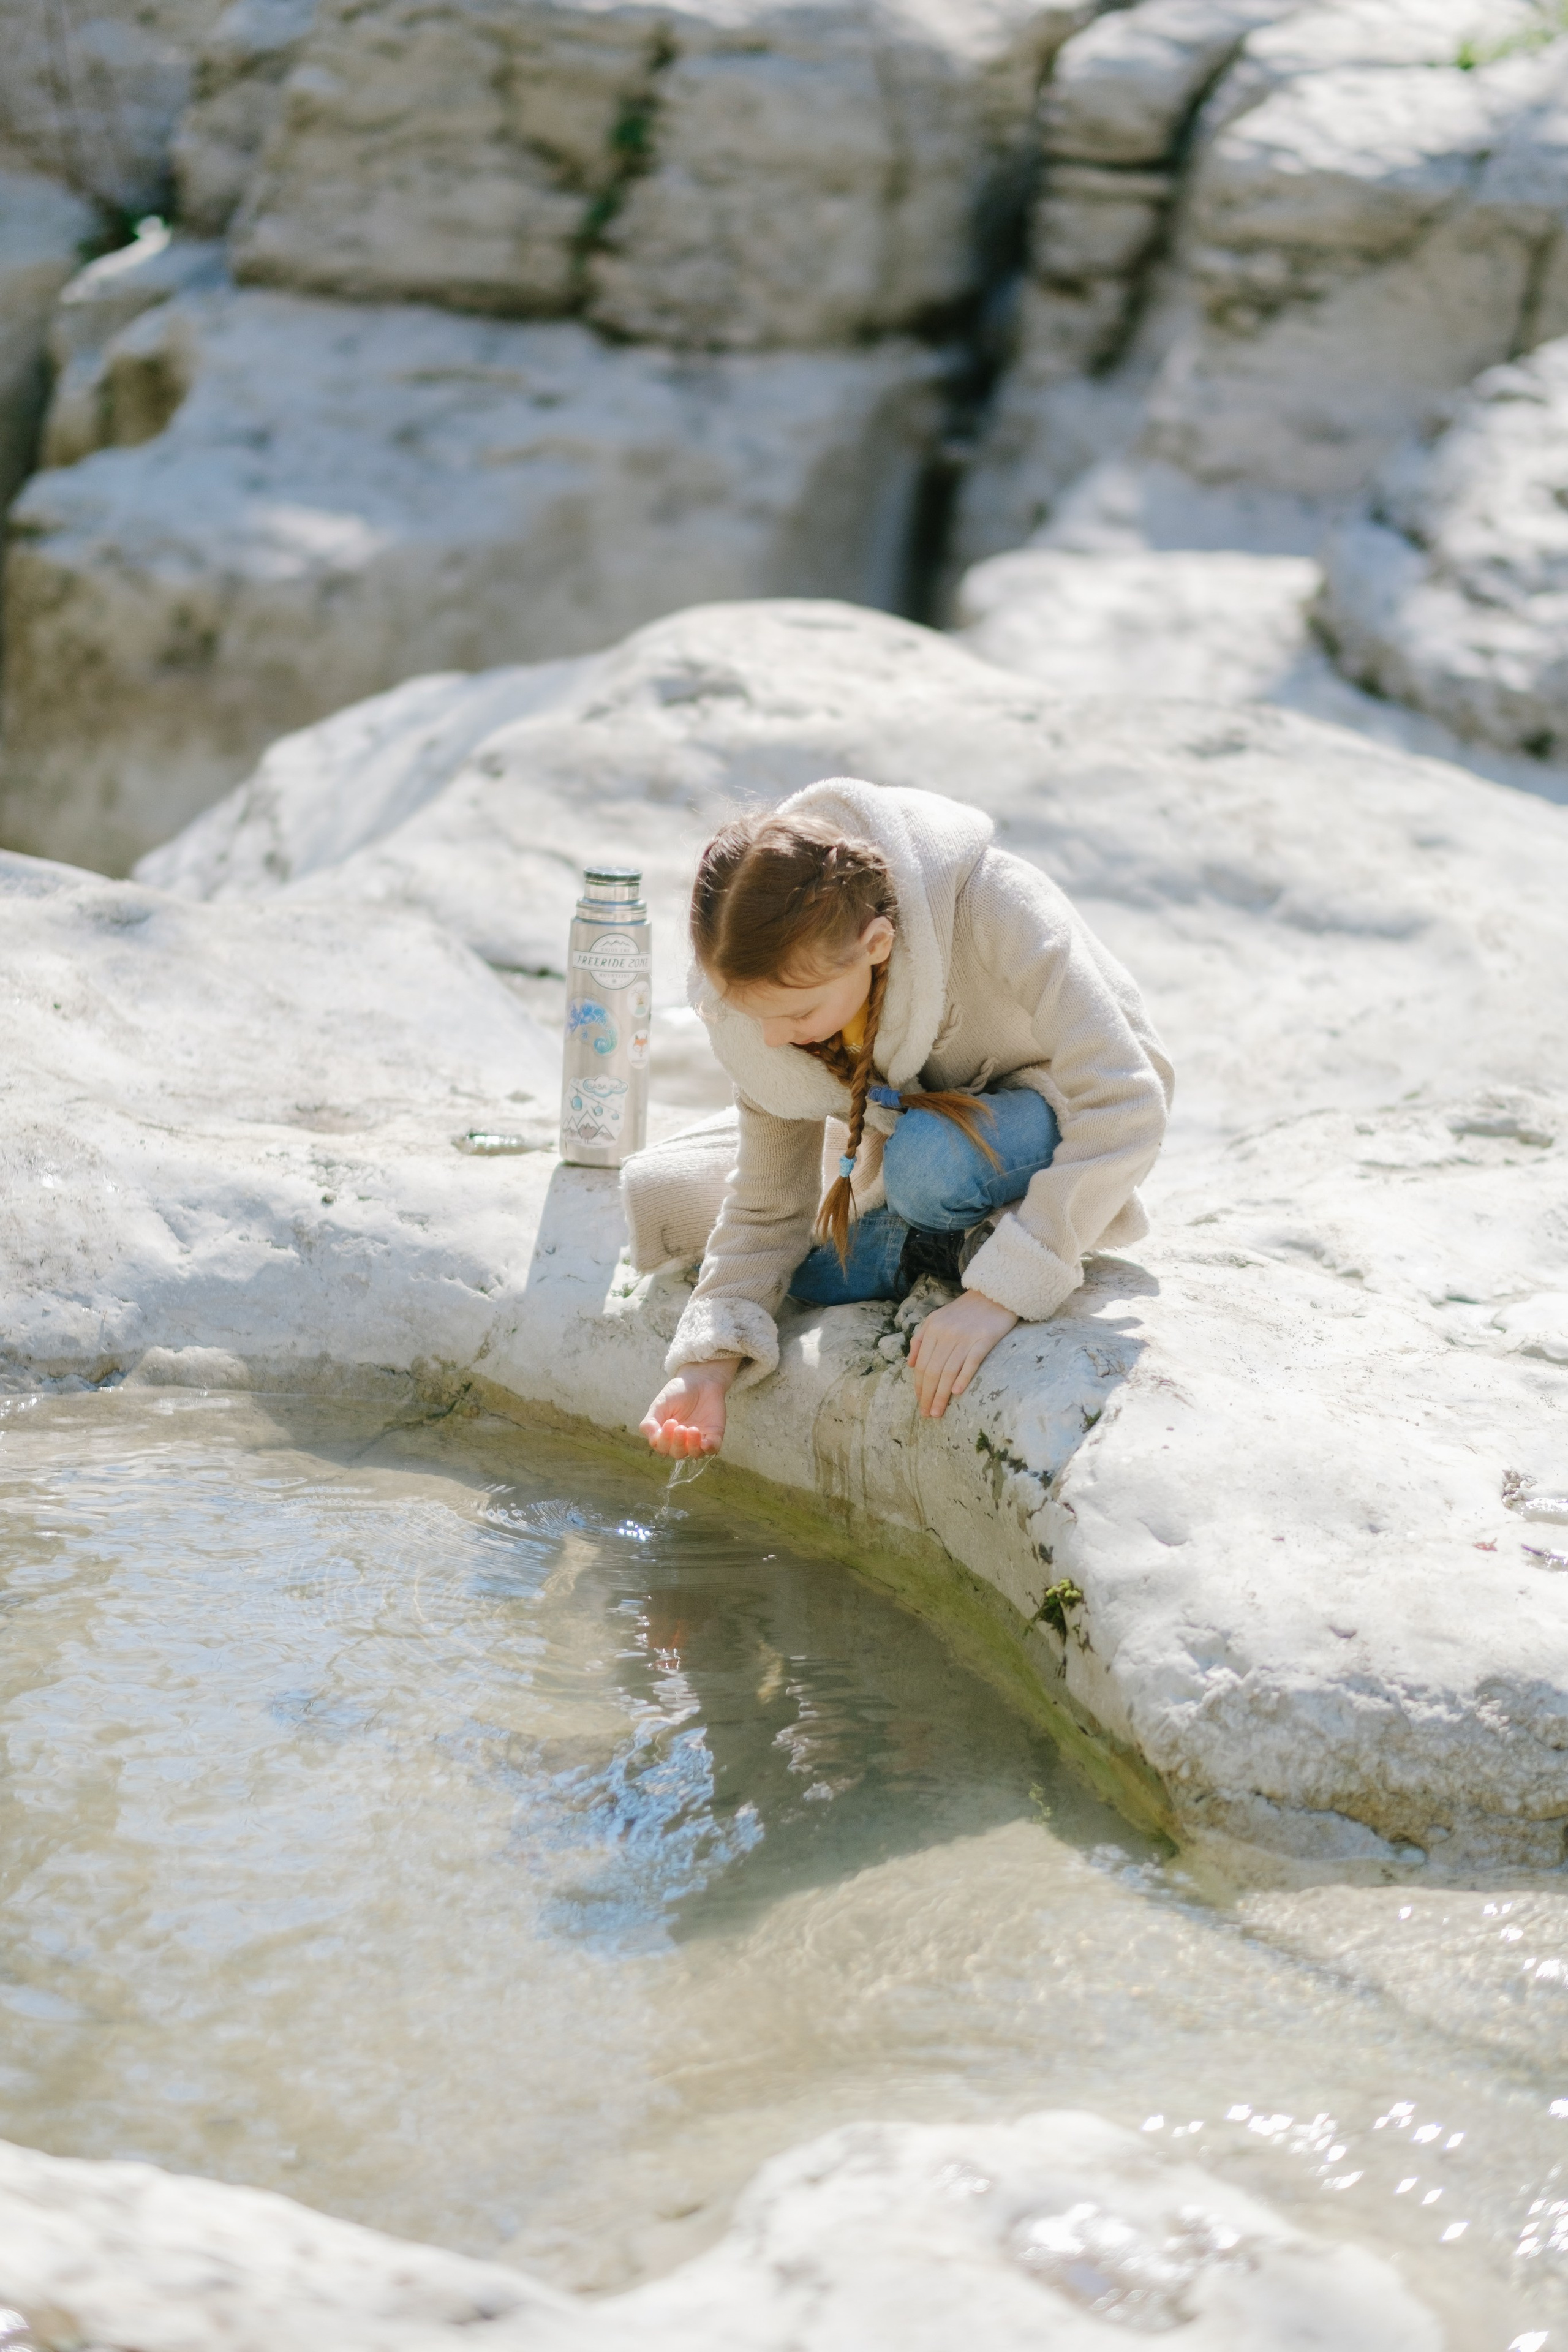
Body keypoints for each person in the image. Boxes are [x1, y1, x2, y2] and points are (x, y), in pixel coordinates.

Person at [628, 777, 1172, 1460]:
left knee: (928, 1165)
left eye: (795, 1014)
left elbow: (1128, 1096)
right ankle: (947, 1241)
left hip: (1048, 1110)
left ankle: (988, 1237)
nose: (771, 1039)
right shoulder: (758, 1002)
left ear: (878, 944)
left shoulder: (991, 901)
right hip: (904, 1130)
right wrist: (708, 1361)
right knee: (808, 1275)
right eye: (754, 1015)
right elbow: (769, 1206)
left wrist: (1000, 1294)